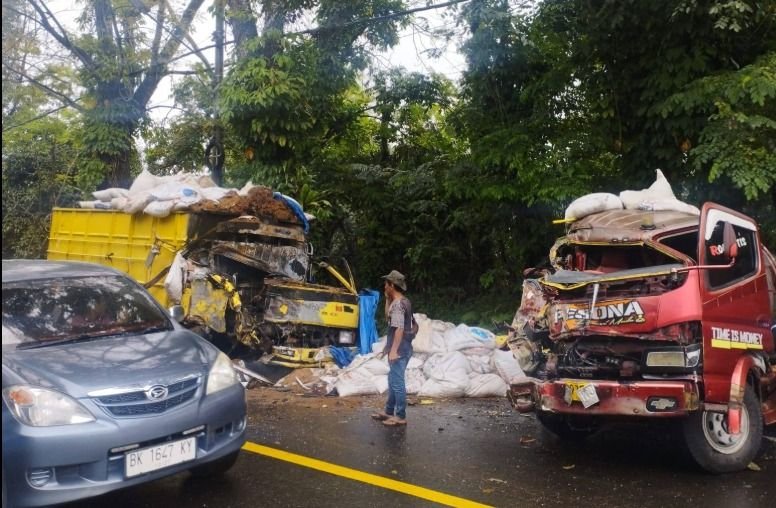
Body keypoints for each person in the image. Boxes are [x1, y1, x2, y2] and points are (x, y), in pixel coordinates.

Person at [371, 270, 414, 427]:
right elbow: (388, 319)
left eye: (386, 283)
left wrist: (394, 350)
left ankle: (400, 416)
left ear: (392, 285)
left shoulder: (398, 306)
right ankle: (389, 411)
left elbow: (399, 329)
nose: (384, 286)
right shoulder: (401, 301)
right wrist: (387, 299)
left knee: (397, 382)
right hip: (401, 347)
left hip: (401, 349)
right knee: (392, 380)